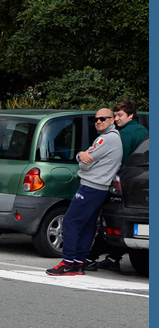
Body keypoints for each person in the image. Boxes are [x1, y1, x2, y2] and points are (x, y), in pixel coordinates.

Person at [47, 108, 123, 276]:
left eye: (103, 118)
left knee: (70, 222)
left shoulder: (106, 139)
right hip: (100, 188)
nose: (99, 121)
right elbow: (85, 157)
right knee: (87, 225)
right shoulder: (113, 138)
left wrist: (81, 157)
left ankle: (67, 263)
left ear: (112, 120)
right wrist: (81, 155)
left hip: (91, 186)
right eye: (96, 119)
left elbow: (85, 163)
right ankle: (78, 263)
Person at [88, 98, 148, 271]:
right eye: (115, 115)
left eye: (120, 115)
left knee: (111, 221)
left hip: (123, 181)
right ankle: (113, 258)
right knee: (128, 222)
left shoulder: (124, 134)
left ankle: (90, 256)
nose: (116, 118)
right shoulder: (143, 131)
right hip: (138, 182)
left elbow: (117, 160)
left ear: (131, 115)